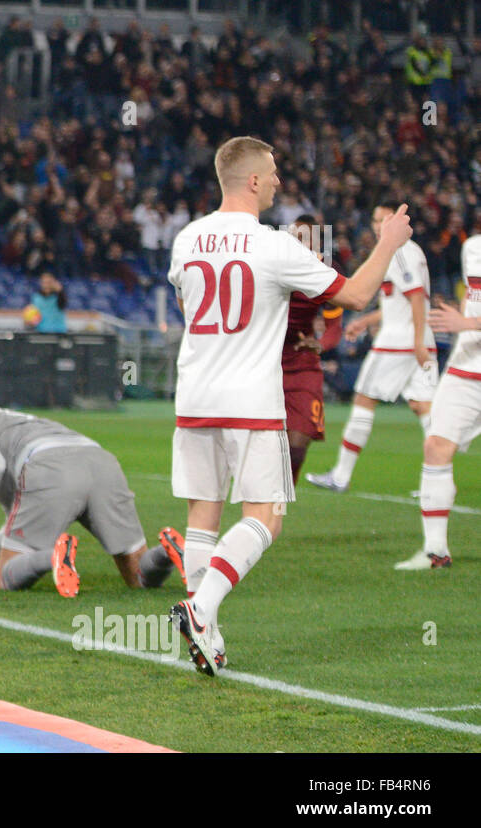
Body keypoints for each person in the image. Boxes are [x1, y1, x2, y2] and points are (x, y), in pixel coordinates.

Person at [165, 136, 411, 676]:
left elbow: (187, 307)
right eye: (273, 172)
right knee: (267, 518)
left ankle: (205, 632)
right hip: (251, 398)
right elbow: (354, 297)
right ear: (252, 181)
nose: (278, 180)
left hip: (195, 395)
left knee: (202, 514)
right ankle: (201, 610)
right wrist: (389, 242)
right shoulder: (273, 245)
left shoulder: (186, 239)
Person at [0, 373, 185, 597]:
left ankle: (52, 557)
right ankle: (167, 551)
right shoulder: (0, 424)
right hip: (101, 462)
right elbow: (14, 526)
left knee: (8, 577)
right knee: (138, 575)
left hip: (50, 466)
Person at [306, 201, 436, 493]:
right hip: (415, 339)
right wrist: (366, 321)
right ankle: (437, 482)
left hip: (398, 343)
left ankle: (341, 475)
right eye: (376, 220)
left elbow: (416, 298)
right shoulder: (403, 251)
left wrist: (415, 342)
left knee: (364, 401)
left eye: (384, 220)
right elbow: (401, 300)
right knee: (422, 407)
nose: (378, 225)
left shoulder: (400, 251)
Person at [395, 228, 481, 570]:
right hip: (466, 366)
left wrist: (467, 322)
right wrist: (461, 320)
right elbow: (472, 297)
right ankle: (435, 553)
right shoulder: (473, 247)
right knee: (435, 447)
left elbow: (469, 315)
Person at [283, 214, 344, 481]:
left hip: (301, 363)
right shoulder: (270, 266)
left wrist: (319, 344)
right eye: (295, 237)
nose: (300, 243)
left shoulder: (325, 273)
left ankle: (281, 501)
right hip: (264, 361)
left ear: (317, 243)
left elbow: (334, 328)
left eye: (306, 238)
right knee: (265, 445)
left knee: (297, 445)